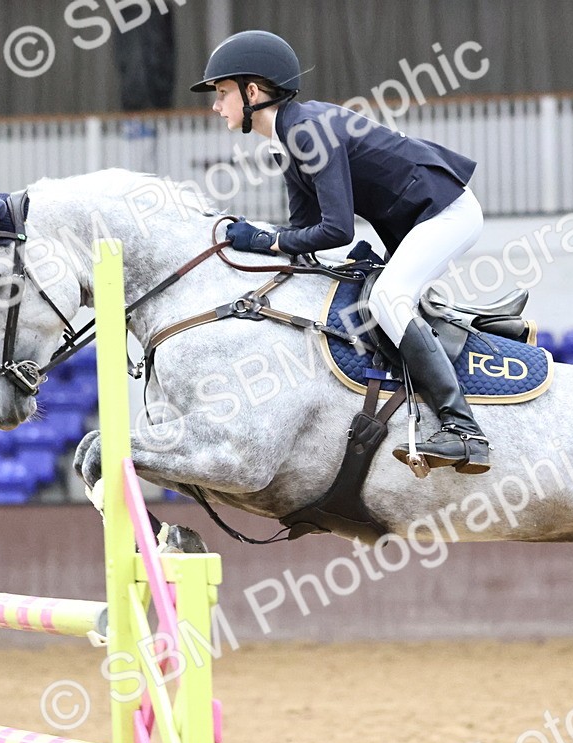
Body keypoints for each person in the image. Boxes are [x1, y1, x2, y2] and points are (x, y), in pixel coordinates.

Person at [191, 30, 491, 474]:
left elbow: (334, 230)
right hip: (418, 220)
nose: (216, 106)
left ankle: (464, 431)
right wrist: (259, 236)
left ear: (252, 92)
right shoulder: (288, 139)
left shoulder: (308, 130)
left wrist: (266, 239)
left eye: (221, 93)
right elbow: (301, 233)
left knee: (389, 300)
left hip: (446, 212)